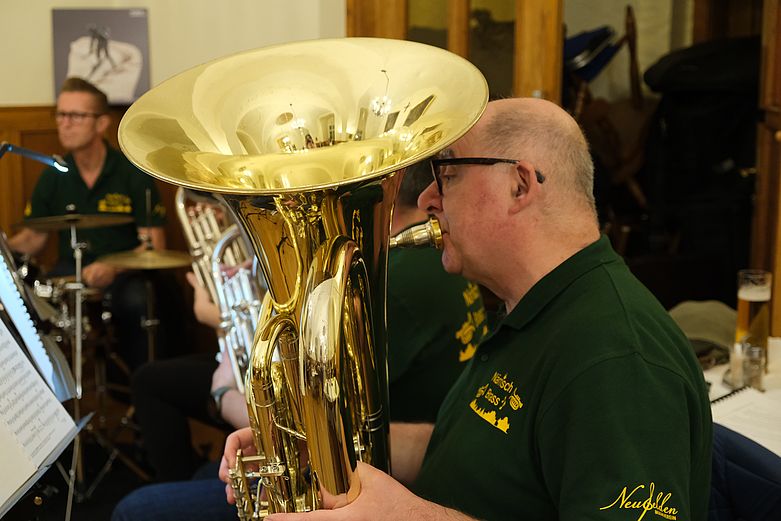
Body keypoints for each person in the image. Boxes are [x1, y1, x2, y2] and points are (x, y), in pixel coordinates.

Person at [219, 97, 713, 521]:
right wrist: (316, 450)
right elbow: (470, 449)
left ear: (519, 185)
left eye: (448, 174)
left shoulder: (618, 359)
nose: (427, 198)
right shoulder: (533, 306)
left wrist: (411, 517)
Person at [111, 162, 489, 521]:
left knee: (135, 508)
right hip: (377, 446)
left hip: (370, 471)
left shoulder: (396, 283)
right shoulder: (433, 261)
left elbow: (306, 411)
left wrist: (223, 389)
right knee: (199, 468)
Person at [9, 76, 175, 372]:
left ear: (101, 123)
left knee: (139, 301)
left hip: (125, 273)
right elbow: (33, 238)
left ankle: (139, 387)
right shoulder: (54, 174)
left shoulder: (131, 172)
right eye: (61, 114)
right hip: (70, 271)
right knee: (29, 305)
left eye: (75, 116)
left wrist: (113, 266)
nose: (65, 124)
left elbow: (154, 243)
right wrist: (4, 248)